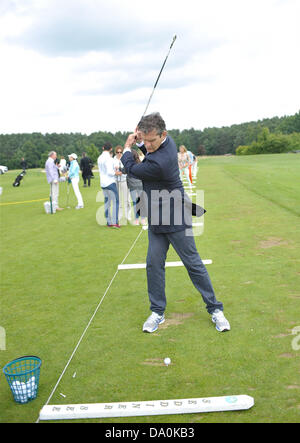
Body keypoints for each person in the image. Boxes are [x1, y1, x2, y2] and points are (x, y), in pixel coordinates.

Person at [121, 112, 230, 334]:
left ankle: (215, 309)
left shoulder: (159, 163)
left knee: (193, 263)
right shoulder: (167, 144)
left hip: (177, 216)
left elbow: (131, 168)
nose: (149, 145)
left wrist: (127, 147)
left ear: (164, 135)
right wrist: (141, 142)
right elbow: (148, 152)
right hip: (156, 219)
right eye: (146, 140)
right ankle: (157, 311)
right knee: (153, 264)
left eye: (153, 140)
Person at [98, 142, 121, 228]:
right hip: (110, 182)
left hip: (103, 183)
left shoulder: (99, 158)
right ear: (111, 149)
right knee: (116, 202)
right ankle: (115, 222)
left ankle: (109, 222)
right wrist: (117, 173)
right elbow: (110, 172)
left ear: (103, 148)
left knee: (107, 202)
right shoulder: (109, 158)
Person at [125, 149, 147, 226]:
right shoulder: (136, 164)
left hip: (138, 186)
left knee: (137, 203)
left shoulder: (137, 164)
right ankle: (139, 219)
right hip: (135, 186)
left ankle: (140, 219)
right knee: (138, 203)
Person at [113, 146, 131, 223]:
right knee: (118, 199)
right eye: (118, 152)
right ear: (115, 152)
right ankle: (119, 216)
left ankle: (128, 216)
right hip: (116, 180)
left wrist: (121, 172)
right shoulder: (113, 160)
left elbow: (128, 169)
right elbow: (111, 170)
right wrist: (116, 172)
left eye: (120, 152)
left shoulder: (125, 159)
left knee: (127, 199)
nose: (119, 154)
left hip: (124, 180)